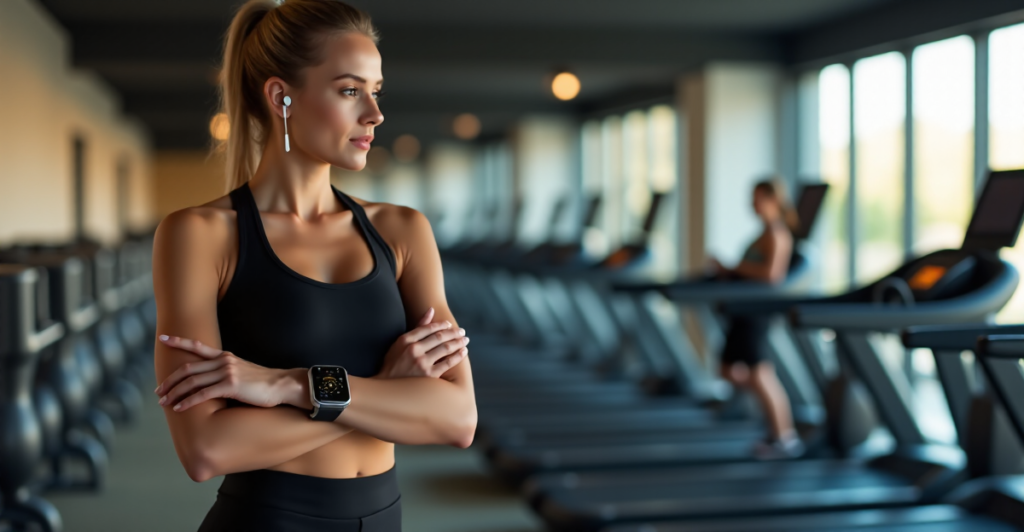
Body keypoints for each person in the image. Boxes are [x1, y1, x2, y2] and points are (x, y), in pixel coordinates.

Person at [149, 1, 476, 530]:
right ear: (282, 96)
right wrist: (384, 386)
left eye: (376, 91)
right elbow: (206, 450)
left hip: (383, 517)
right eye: (350, 91)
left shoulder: (403, 231)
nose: (374, 113)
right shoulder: (199, 235)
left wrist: (291, 386)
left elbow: (458, 419)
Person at [709, 179, 803, 460]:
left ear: (773, 200)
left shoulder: (777, 234)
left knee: (760, 374)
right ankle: (770, 419)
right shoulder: (761, 233)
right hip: (742, 310)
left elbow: (772, 276)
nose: (752, 204)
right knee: (728, 370)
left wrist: (733, 267)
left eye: (757, 199)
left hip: (756, 312)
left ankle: (785, 437)